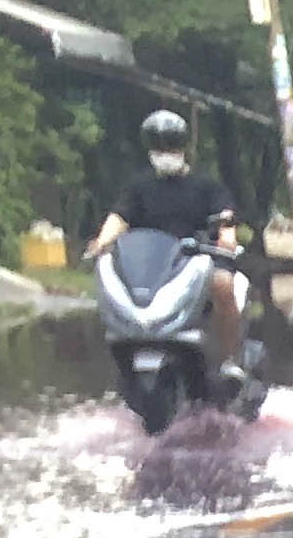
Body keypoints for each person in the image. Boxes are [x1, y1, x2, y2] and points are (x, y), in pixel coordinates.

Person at [88, 110, 243, 371]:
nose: (165, 152)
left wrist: (226, 237)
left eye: (170, 145)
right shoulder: (138, 187)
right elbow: (119, 217)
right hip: (153, 269)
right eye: (158, 146)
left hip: (196, 262)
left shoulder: (206, 186)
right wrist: (102, 242)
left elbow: (225, 218)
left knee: (224, 285)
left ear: (182, 147)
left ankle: (229, 360)